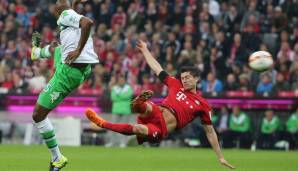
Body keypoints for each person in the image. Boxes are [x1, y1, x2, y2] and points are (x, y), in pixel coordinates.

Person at [86, 40, 235, 169]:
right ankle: (139, 105)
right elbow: (157, 68)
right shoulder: (175, 84)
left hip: (160, 128)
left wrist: (220, 156)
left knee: (138, 128)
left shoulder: (203, 105)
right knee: (150, 106)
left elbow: (210, 132)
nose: (185, 80)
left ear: (196, 79)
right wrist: (145, 50)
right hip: (158, 111)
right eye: (183, 78)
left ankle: (103, 123)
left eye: (188, 78)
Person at [31, 0, 98, 170]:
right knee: (57, 47)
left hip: (69, 71)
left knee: (38, 114)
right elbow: (76, 19)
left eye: (57, 3)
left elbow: (87, 22)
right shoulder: (68, 20)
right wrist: (74, 4)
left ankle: (57, 158)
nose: (54, 7)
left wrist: (78, 50)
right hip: (80, 69)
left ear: (58, 9)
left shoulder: (65, 15)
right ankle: (37, 52)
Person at [107, 74, 133, 147]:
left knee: (124, 128)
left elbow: (128, 96)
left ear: (125, 81)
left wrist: (118, 96)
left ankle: (123, 143)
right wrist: (122, 96)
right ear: (118, 81)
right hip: (116, 110)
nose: (121, 81)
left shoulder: (128, 88)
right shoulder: (115, 88)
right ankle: (112, 142)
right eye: (120, 80)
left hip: (126, 110)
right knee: (112, 127)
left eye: (122, 80)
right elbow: (113, 98)